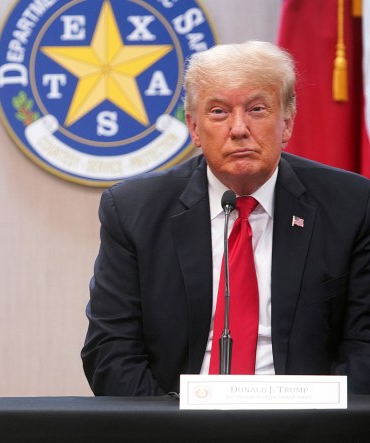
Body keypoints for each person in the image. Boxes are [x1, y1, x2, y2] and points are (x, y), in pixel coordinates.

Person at [81, 40, 370, 396]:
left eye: (257, 109)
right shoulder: (133, 210)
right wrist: (168, 422)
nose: (238, 128)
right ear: (194, 128)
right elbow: (110, 350)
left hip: (306, 417)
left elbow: (364, 346)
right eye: (218, 112)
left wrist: (318, 419)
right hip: (175, 414)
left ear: (287, 123)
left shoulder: (351, 205)